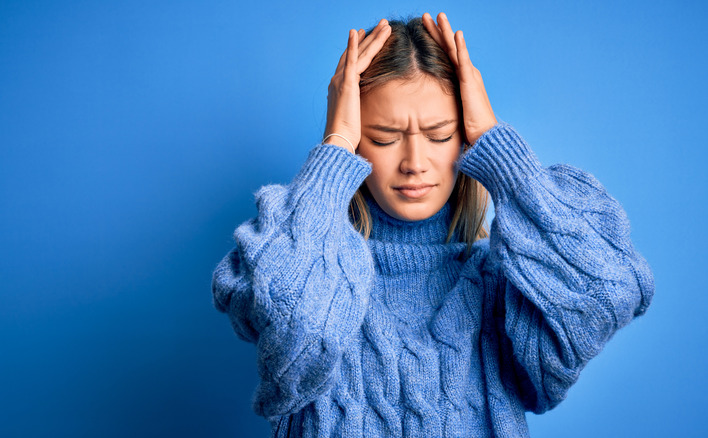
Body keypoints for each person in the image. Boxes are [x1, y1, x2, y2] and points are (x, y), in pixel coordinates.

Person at [211, 13, 655, 438]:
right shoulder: (301, 263)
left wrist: (500, 153)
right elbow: (299, 331)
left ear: (464, 136)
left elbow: (610, 290)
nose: (415, 164)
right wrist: (335, 147)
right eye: (384, 138)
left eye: (440, 135)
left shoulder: (501, 286)